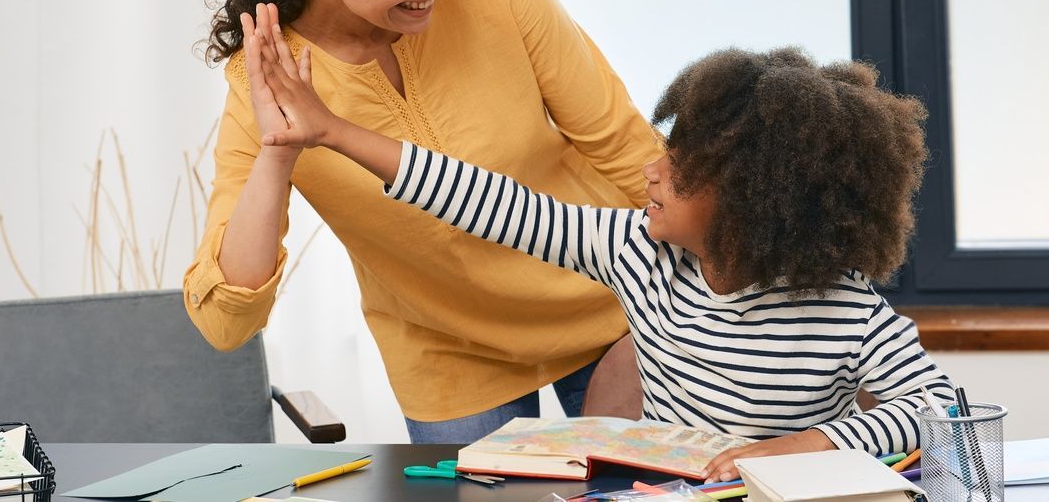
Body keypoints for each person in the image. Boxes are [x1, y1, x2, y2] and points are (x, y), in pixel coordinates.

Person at [247, 38, 956, 482]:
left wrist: (804, 444)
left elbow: (939, 407)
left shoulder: (843, 306)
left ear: (753, 200)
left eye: (681, 166)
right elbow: (491, 202)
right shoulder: (640, 254)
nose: (653, 170)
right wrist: (332, 131)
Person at [183, 0, 664, 443]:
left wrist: (702, 296)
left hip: (613, 304)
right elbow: (225, 322)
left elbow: (622, 142)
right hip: (449, 353)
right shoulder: (268, 80)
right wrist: (277, 153)